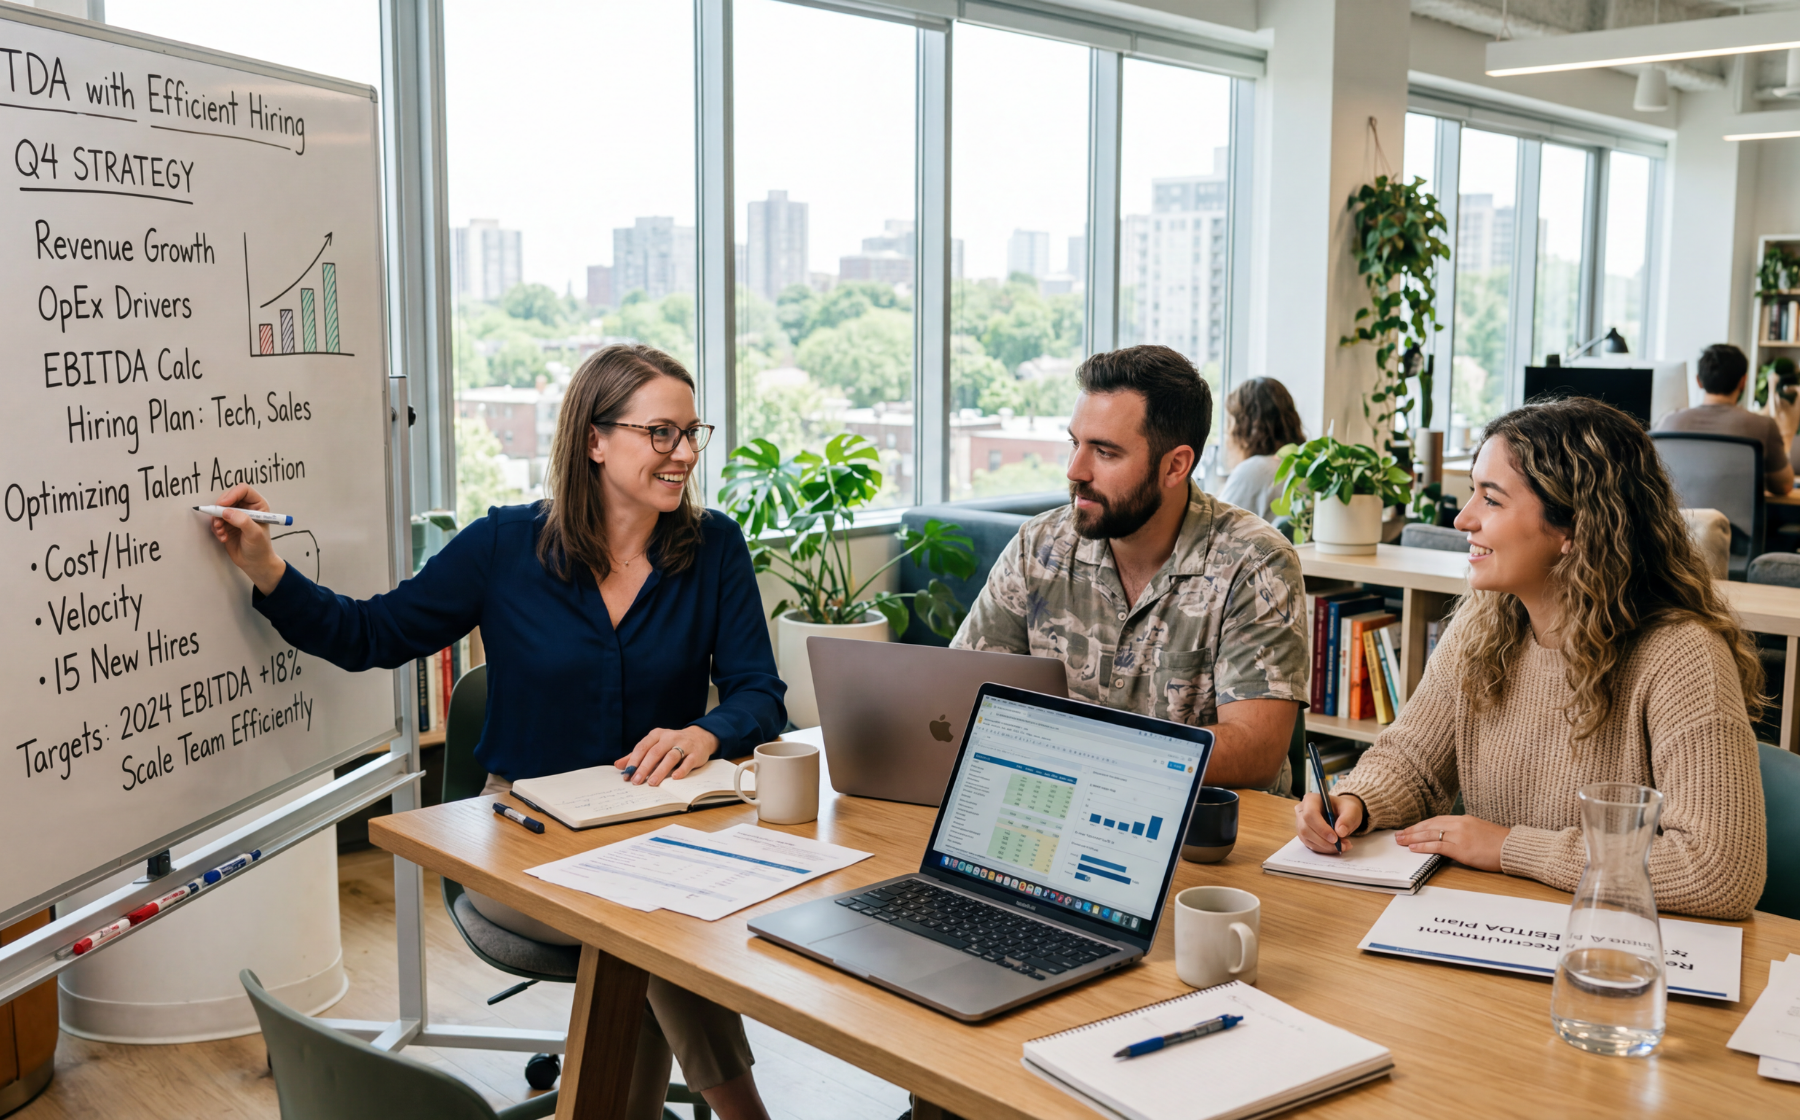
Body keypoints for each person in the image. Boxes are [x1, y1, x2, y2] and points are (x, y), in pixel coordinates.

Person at [206, 344, 782, 1120]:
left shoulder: (715, 548)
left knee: (651, 923)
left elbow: (759, 694)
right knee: (655, 930)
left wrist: (708, 733)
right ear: (595, 440)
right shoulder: (506, 546)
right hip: (523, 835)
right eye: (662, 433)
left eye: (691, 433)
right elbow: (374, 634)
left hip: (659, 830)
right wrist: (268, 569)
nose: (683, 454)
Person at [1296, 396, 1767, 920]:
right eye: (1472, 492)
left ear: (1573, 528)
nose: (1462, 517)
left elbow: (1719, 870)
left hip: (1615, 946)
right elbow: (1412, 765)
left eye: (1491, 500)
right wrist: (1354, 803)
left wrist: (1508, 848)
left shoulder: (1683, 656)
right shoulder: (1485, 625)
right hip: (1496, 923)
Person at [952, 345, 1307, 791]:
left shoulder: (1255, 563)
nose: (1075, 470)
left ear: (1175, 466)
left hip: (1208, 838)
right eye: (1074, 443)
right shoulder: (1038, 546)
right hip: (1056, 808)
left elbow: (1254, 752)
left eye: (1104, 452)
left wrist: (1074, 749)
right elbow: (959, 693)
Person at [1653, 342, 1797, 496]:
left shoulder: (1666, 423)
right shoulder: (1763, 425)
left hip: (1679, 520)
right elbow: (1784, 486)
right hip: (1737, 520)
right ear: (1743, 382)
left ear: (1698, 381)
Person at [1216, 377, 1307, 522]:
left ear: (1243, 427)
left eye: (1230, 421)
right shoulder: (1305, 467)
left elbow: (1214, 532)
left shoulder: (1255, 470)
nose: (1227, 432)